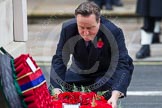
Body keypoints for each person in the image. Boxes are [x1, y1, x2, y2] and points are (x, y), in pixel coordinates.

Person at [50, 1, 133, 108]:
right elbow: (59, 59)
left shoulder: (113, 32)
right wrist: (57, 89)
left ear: (99, 22)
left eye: (90, 28)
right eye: (81, 27)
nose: (85, 32)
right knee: (53, 90)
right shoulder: (68, 29)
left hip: (106, 73)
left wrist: (115, 94)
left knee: (101, 96)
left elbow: (122, 64)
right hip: (80, 71)